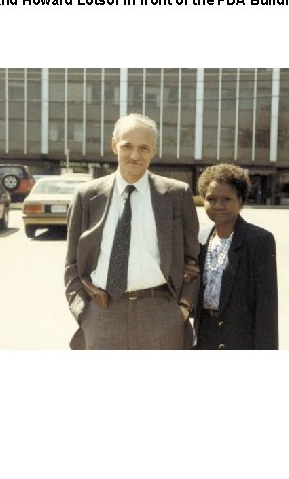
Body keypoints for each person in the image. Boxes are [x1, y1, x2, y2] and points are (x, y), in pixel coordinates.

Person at [64, 114, 200, 349]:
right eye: (127, 146)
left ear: (153, 151)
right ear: (114, 145)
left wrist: (183, 308)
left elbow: (193, 259)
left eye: (144, 148)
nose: (135, 155)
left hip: (161, 315)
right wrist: (83, 312)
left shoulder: (177, 194)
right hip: (102, 315)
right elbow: (72, 264)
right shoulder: (86, 196)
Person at [194, 164, 278, 350]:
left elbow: (267, 308)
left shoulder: (259, 240)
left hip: (240, 338)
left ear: (241, 201)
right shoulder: (200, 238)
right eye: (211, 199)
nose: (218, 205)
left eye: (226, 199)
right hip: (204, 337)